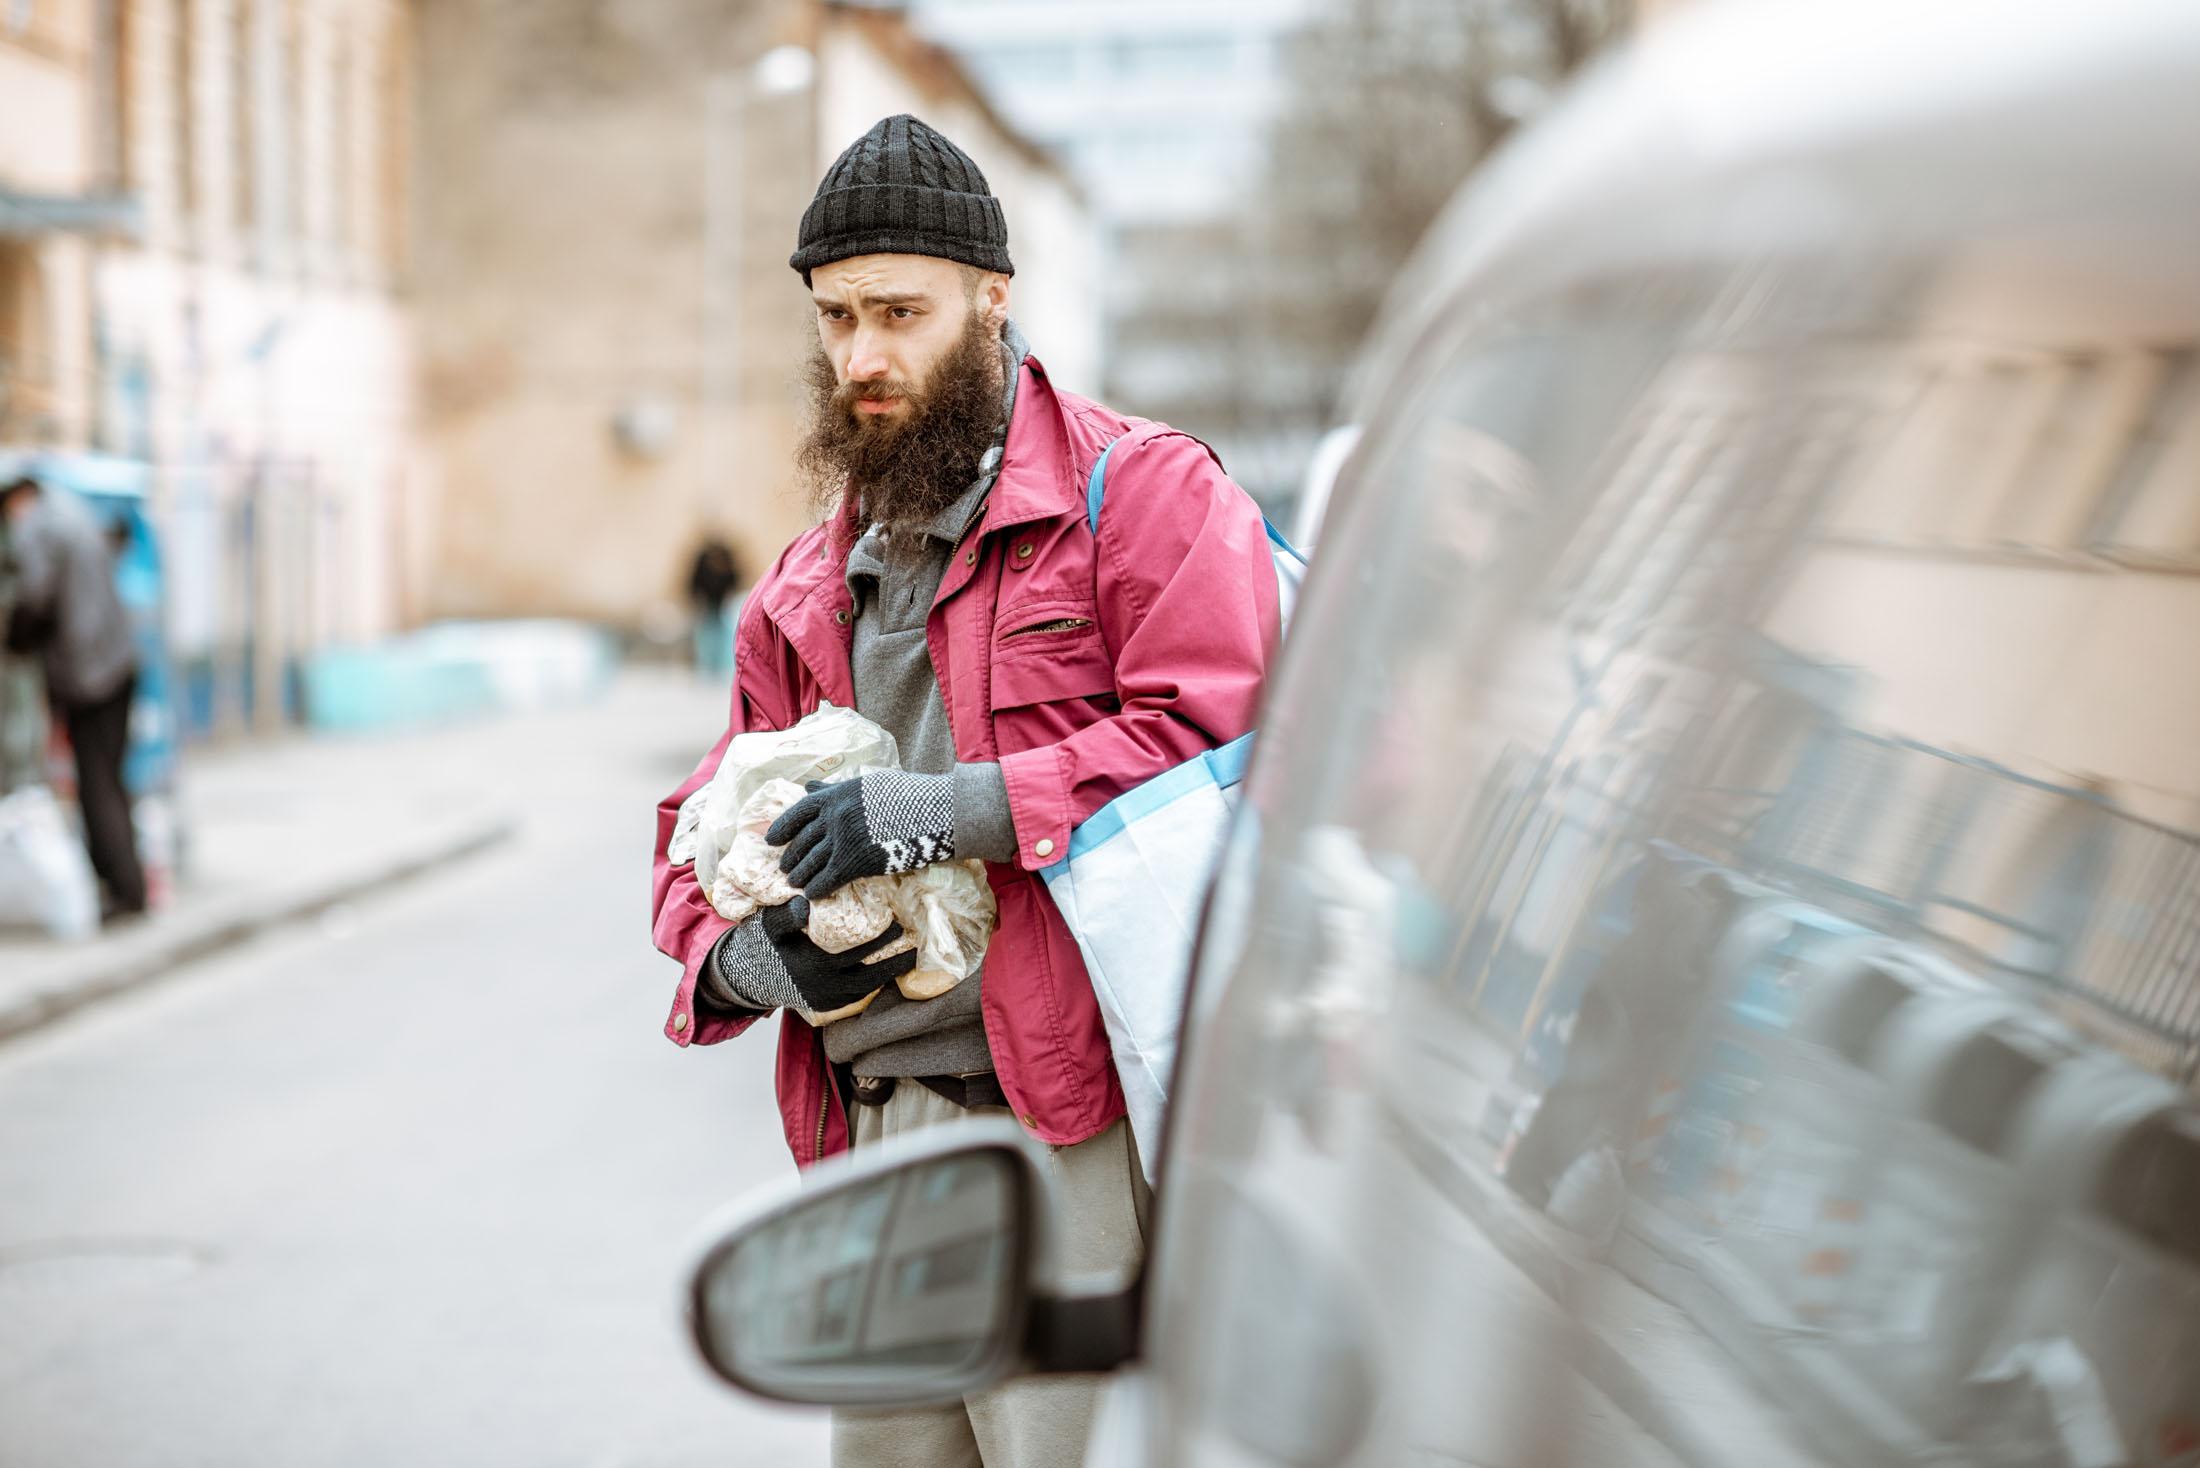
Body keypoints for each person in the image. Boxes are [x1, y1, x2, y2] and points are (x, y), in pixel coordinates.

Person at [649, 114, 1280, 1467]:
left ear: (992, 298)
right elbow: (694, 834)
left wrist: (940, 809)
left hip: (1062, 1125)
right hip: (872, 1145)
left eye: (899, 313)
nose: (861, 358)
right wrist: (754, 963)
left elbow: (1219, 736)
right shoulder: (805, 582)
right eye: (835, 319)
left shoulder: (1143, 492)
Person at [2, 469, 147, 920]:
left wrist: (14, 637)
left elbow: (35, 596)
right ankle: (128, 884)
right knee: (110, 778)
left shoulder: (38, 526)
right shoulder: (72, 512)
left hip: (89, 675)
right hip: (116, 663)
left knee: (96, 781)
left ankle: (121, 889)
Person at [684, 536, 743, 680]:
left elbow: (734, 580)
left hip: (723, 606)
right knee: (706, 638)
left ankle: (722, 668)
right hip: (707, 606)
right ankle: (706, 667)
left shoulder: (727, 560)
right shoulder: (703, 561)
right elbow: (694, 582)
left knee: (723, 638)